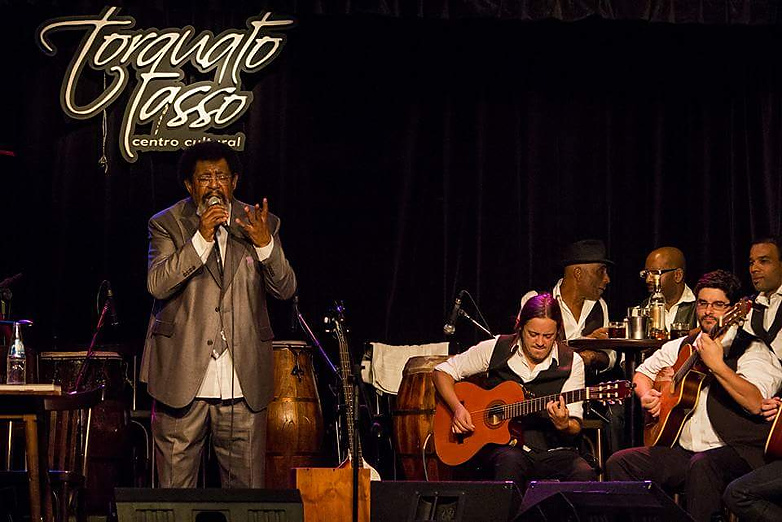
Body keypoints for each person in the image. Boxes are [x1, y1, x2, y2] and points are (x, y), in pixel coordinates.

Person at [141, 141, 297, 488]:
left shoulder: (259, 222)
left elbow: (285, 289)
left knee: (245, 495)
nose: (214, 185)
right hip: (181, 378)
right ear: (189, 185)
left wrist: (265, 244)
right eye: (205, 178)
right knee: (174, 493)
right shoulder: (166, 223)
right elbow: (158, 284)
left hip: (242, 379)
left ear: (234, 181)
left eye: (222, 177)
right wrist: (201, 237)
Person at [605, 270, 782, 522]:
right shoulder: (684, 344)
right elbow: (642, 373)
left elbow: (755, 403)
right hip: (686, 451)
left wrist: (718, 366)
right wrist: (648, 395)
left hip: (736, 452)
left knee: (702, 465)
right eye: (702, 303)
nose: (708, 311)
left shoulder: (752, 350)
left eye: (718, 304)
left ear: (733, 310)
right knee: (621, 462)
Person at [433, 293, 596, 489]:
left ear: (558, 332)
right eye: (533, 334)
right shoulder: (496, 347)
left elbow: (575, 425)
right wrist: (457, 408)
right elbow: (442, 372)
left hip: (551, 451)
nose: (540, 342)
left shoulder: (571, 362)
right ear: (520, 327)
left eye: (548, 336)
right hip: (504, 450)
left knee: (583, 472)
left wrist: (564, 424)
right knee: (510, 462)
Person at [719, 237, 782, 522]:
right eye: (751, 262)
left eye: (764, 261)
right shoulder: (750, 308)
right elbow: (724, 346)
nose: (754, 268)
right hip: (766, 425)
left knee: (739, 493)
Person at [519, 239, 614, 372]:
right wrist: (584, 343)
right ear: (578, 273)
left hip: (586, 385)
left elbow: (610, 357)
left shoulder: (600, 305)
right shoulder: (535, 300)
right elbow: (526, 350)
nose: (607, 279)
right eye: (600, 272)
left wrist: (593, 356)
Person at [639, 246, 697, 330]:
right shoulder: (641, 310)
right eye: (646, 273)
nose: (648, 280)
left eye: (656, 273)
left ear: (678, 275)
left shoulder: (700, 307)